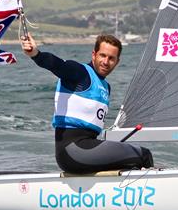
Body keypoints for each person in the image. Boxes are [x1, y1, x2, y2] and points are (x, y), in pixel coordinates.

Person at [21, 32, 153, 173]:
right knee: (143, 155)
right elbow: (57, 65)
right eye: (102, 55)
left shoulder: (105, 86)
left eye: (111, 58)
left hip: (88, 148)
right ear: (94, 54)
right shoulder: (79, 72)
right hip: (72, 151)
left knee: (131, 161)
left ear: (117, 62)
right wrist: (36, 54)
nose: (106, 62)